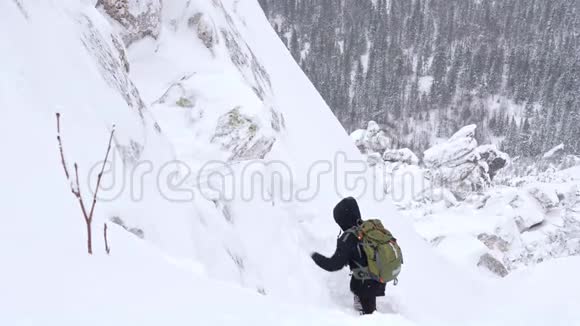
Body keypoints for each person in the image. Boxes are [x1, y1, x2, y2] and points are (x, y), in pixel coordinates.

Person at [311, 197, 386, 315]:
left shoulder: (348, 238)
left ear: (342, 219)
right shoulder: (368, 228)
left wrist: (313, 256)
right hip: (378, 278)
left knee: (370, 317)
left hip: (364, 285)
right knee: (371, 310)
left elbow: (334, 265)